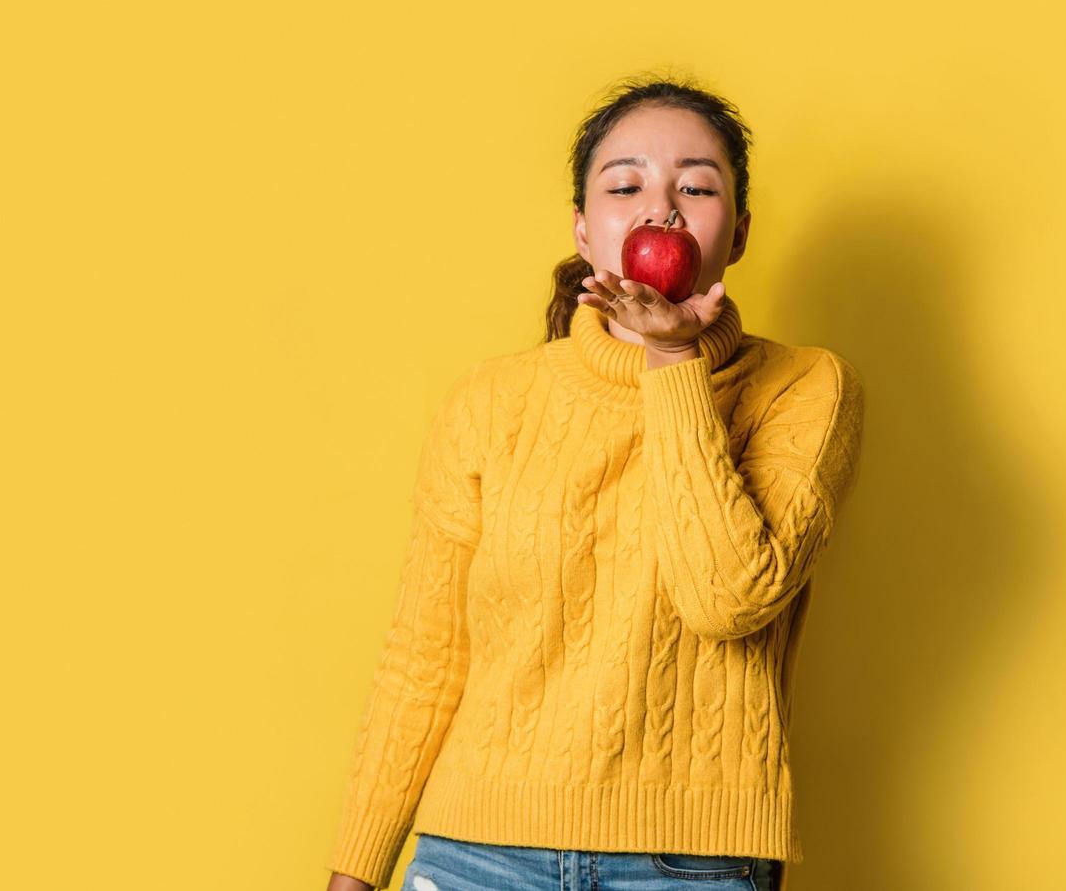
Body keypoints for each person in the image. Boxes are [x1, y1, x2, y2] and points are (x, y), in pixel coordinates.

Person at [324, 75, 866, 891]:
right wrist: (355, 871)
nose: (661, 210)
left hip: (685, 865)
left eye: (695, 185)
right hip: (475, 851)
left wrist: (674, 360)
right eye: (625, 185)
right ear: (583, 229)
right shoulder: (491, 400)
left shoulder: (804, 388)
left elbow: (728, 595)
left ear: (741, 231)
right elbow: (426, 655)